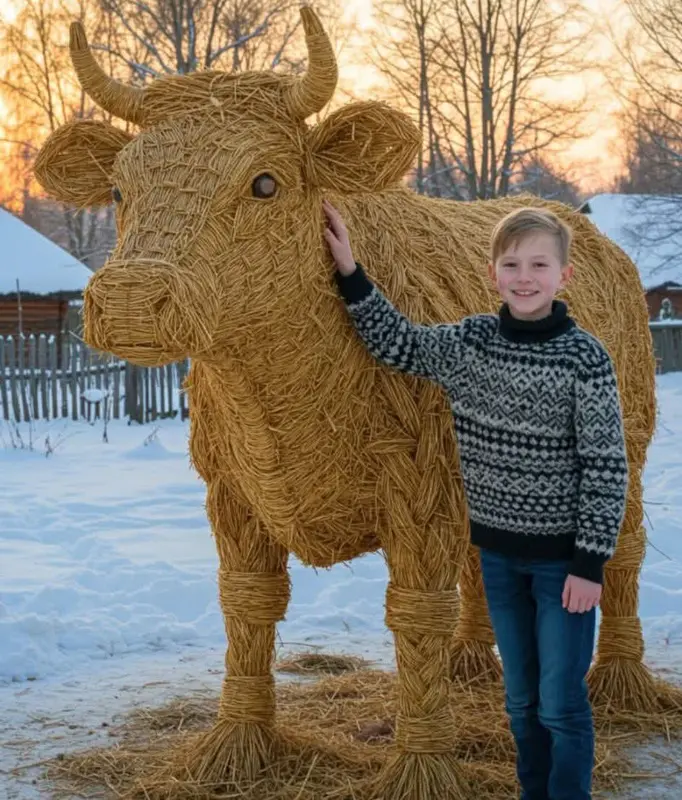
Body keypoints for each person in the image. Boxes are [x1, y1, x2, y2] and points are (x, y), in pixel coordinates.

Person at [323, 198, 628, 800]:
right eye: (512, 265)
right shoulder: (470, 344)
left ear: (564, 276)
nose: (524, 278)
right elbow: (398, 344)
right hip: (496, 560)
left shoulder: (584, 357)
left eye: (539, 266)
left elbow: (605, 466)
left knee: (561, 704)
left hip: (564, 564)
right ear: (494, 273)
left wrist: (590, 564)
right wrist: (350, 272)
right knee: (519, 703)